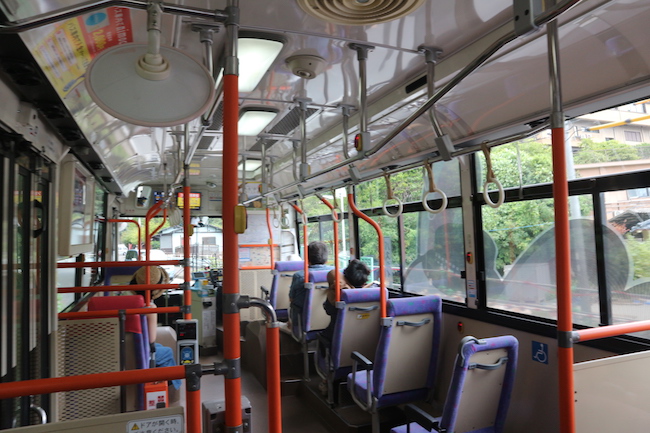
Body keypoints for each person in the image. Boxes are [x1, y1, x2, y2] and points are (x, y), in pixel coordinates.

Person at [129, 266, 181, 391]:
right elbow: (151, 339)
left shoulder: (127, 302)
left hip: (122, 346)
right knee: (167, 352)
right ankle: (174, 389)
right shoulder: (150, 308)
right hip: (140, 350)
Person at [288, 241, 332, 330]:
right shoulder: (336, 273)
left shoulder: (299, 275)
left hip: (302, 319)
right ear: (326, 259)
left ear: (307, 259)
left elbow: (291, 298)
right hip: (330, 319)